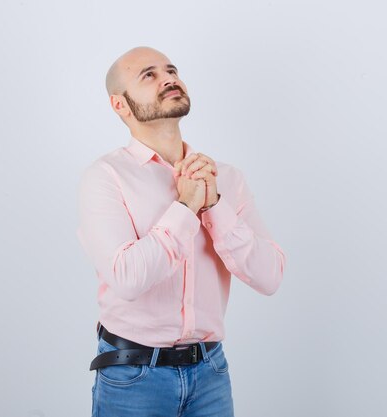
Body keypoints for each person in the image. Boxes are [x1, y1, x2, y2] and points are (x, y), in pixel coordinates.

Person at [76, 46, 286, 417]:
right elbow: (127, 278)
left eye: (171, 70)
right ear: (120, 106)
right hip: (133, 377)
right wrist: (187, 208)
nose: (169, 78)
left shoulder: (224, 179)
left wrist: (214, 205)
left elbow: (270, 277)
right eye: (149, 75)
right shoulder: (105, 177)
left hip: (211, 375)